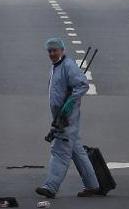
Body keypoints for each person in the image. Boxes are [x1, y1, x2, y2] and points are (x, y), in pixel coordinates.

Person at [36, 38, 102, 199]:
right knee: (76, 150)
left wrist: (70, 103)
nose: (52, 53)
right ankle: (92, 185)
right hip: (60, 115)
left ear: (62, 50)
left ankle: (51, 186)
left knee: (60, 150)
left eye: (55, 50)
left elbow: (82, 85)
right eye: (49, 51)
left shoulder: (68, 66)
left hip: (67, 116)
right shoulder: (57, 66)